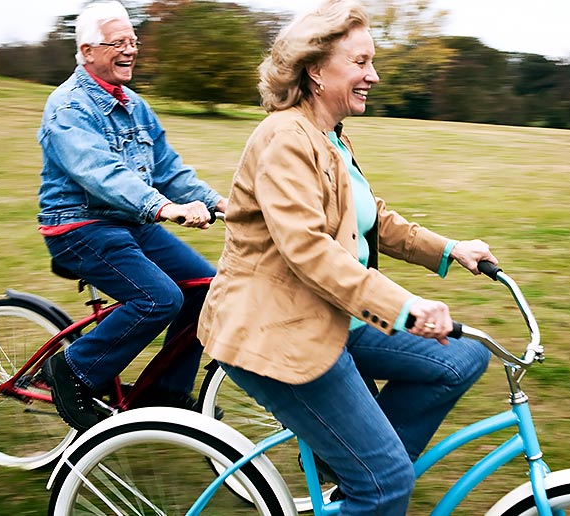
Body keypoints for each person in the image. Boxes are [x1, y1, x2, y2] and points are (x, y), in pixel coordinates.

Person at [197, 0, 497, 513]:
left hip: (332, 316)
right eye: (360, 62)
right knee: (386, 484)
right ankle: (370, 477)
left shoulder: (331, 137)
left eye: (371, 62)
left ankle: (351, 464)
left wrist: (449, 250)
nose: (373, 75)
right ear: (315, 69)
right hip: (279, 329)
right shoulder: (284, 139)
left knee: (466, 355)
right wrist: (406, 306)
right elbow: (309, 250)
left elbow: (370, 217)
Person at [38, 1, 227, 432]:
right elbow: (100, 173)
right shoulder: (68, 107)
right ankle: (72, 370)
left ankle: (165, 393)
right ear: (87, 51)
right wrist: (165, 208)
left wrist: (221, 204)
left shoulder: (136, 106)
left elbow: (169, 169)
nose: (130, 49)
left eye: (133, 40)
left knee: (207, 289)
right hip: (79, 227)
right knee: (160, 298)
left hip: (131, 226)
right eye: (117, 42)